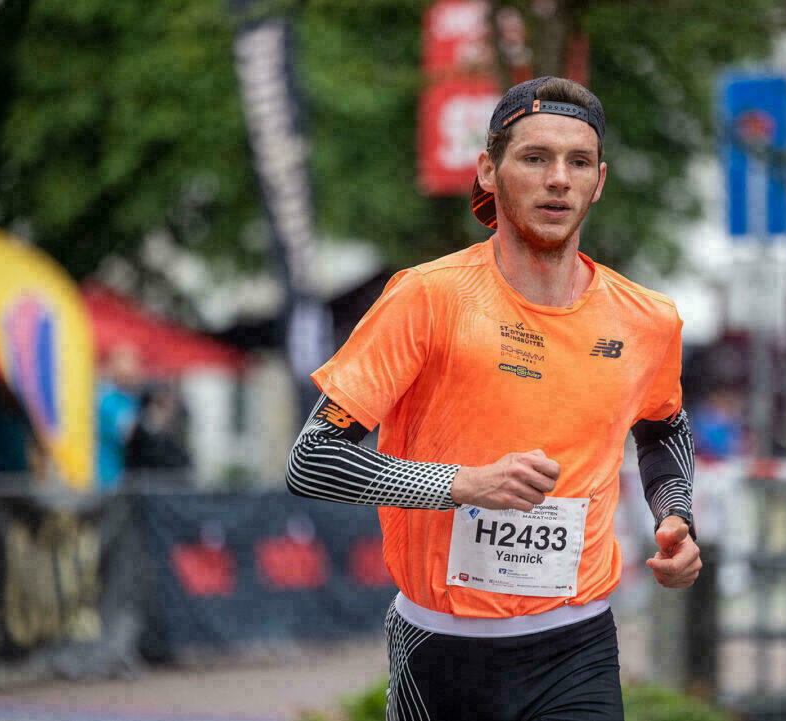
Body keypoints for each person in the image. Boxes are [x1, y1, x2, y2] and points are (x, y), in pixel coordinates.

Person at [287, 77, 700, 721]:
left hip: (577, 647)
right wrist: (464, 484)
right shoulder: (427, 298)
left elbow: (662, 427)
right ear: (487, 170)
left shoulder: (647, 320)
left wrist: (674, 516)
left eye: (579, 162)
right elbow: (312, 460)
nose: (558, 179)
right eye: (535, 157)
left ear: (598, 181)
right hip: (441, 651)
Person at [95, 345, 142, 491]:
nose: (137, 371)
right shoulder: (106, 398)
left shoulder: (129, 397)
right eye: (131, 363)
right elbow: (128, 432)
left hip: (122, 476)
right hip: (104, 478)